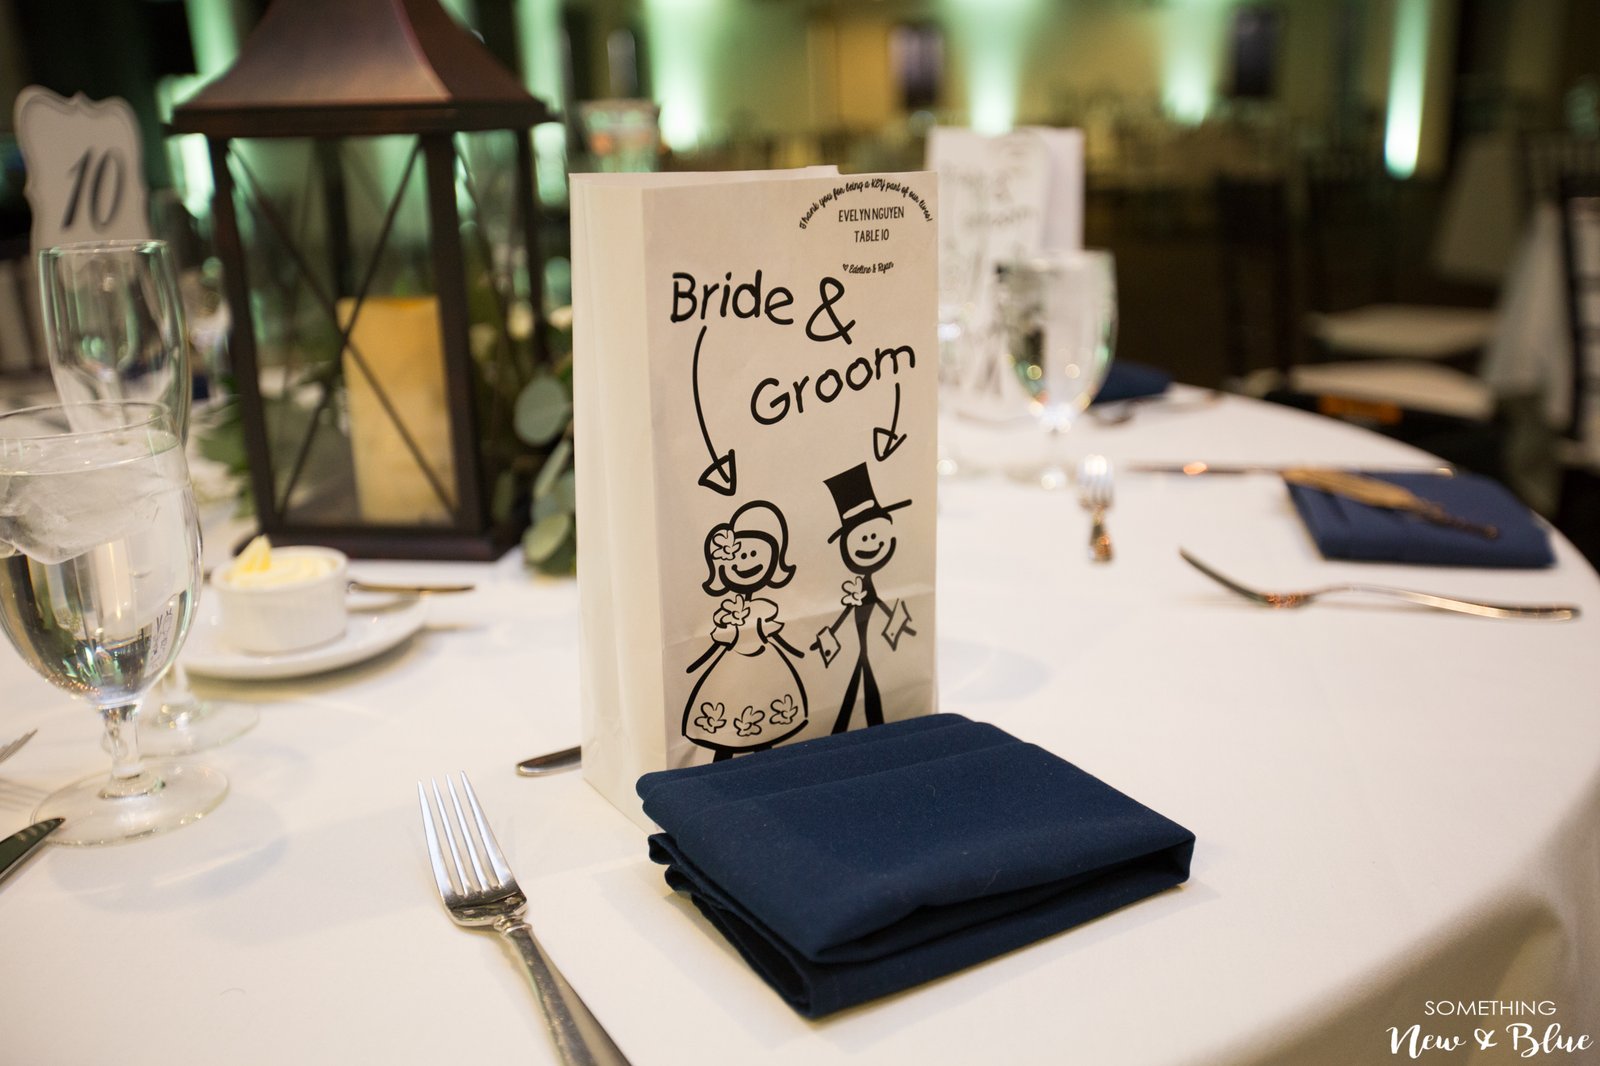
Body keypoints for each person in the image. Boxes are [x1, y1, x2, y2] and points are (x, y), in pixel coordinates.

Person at [682, 500, 808, 760]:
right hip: (737, 666)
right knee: (729, 719)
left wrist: (794, 650)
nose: (746, 561)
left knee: (765, 721)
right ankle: (725, 768)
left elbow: (772, 635)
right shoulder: (729, 610)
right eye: (740, 555)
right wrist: (699, 661)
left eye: (754, 554)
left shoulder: (763, 607)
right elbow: (721, 642)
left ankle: (762, 766)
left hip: (764, 663)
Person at [813, 463, 916, 733]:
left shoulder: (864, 586)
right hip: (859, 637)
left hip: (866, 637)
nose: (870, 541)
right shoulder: (856, 588)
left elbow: (874, 602)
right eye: (862, 537)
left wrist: (895, 620)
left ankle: (853, 725)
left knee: (862, 673)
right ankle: (864, 724)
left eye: (875, 534)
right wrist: (833, 632)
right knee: (860, 674)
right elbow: (852, 610)